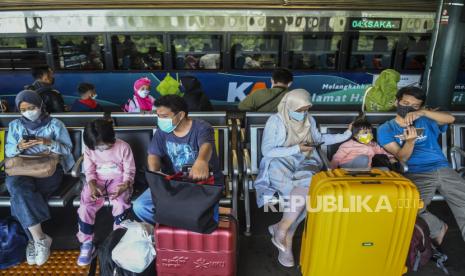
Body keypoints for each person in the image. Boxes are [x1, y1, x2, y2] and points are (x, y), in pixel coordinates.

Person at [254, 89, 352, 267]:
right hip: (279, 161)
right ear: (289, 106)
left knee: (308, 185)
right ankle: (286, 235)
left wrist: (344, 135)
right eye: (299, 110)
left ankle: (283, 229)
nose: (303, 114)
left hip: (307, 159)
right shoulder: (275, 121)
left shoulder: (309, 119)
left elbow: (318, 139)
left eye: (306, 109)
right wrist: (297, 149)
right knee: (304, 197)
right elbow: (267, 151)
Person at [377, 86, 465, 244]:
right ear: (396, 102)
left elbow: (450, 119)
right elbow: (401, 157)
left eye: (415, 105)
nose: (408, 107)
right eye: (405, 102)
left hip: (442, 168)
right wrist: (410, 142)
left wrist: (422, 112)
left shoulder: (425, 119)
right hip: (415, 172)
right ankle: (438, 227)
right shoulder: (386, 128)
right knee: (409, 209)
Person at [5, 90, 74, 266]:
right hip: (22, 168)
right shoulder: (15, 125)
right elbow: (8, 151)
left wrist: (47, 142)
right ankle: (39, 238)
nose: (28, 111)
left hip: (48, 169)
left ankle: (32, 240)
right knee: (18, 188)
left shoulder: (55, 124)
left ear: (40, 105)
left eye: (32, 107)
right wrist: (19, 146)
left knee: (19, 197)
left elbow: (67, 150)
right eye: (23, 109)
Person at [132, 95, 223, 224]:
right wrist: (156, 172)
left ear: (180, 115)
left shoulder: (202, 127)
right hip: (175, 182)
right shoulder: (162, 132)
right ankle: (167, 229)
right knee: (140, 206)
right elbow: (153, 155)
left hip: (202, 183)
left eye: (164, 116)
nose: (160, 120)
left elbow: (206, 146)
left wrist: (201, 161)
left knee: (202, 219)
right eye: (158, 116)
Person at [76, 119, 135, 266]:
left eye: (103, 145)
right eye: (97, 146)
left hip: (119, 181)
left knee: (120, 203)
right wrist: (92, 185)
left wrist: (125, 185)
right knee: (85, 206)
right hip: (98, 182)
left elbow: (129, 171)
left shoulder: (123, 147)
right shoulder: (90, 149)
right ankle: (87, 242)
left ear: (111, 137)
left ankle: (118, 238)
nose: (100, 149)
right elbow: (89, 171)